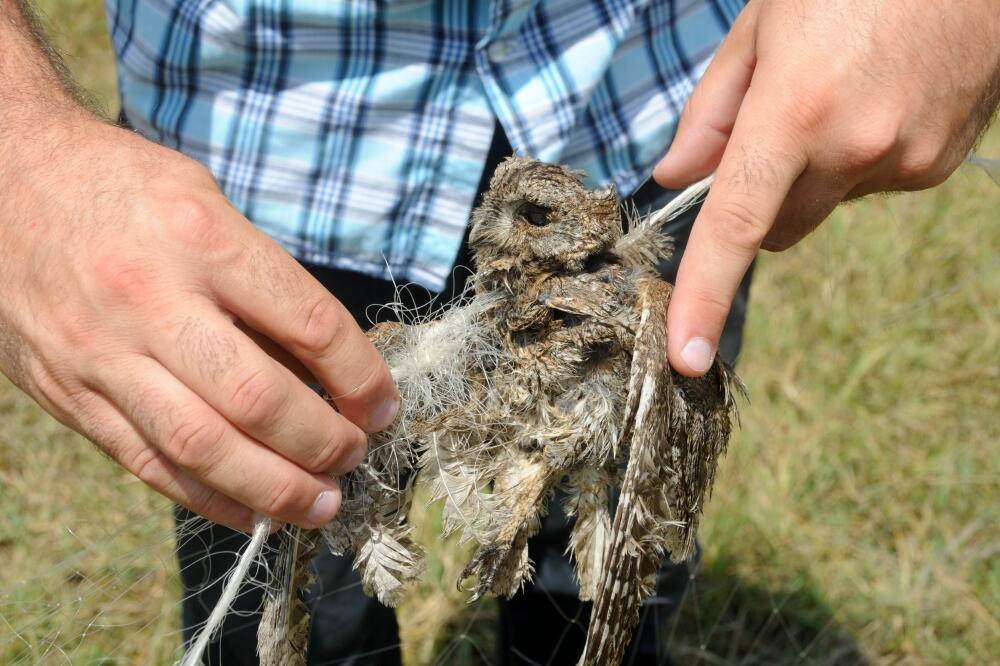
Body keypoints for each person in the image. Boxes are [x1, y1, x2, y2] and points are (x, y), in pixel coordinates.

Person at [1, 0, 996, 663]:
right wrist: (22, 159)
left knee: (606, 578)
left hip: (651, 111)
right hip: (259, 161)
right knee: (290, 602)